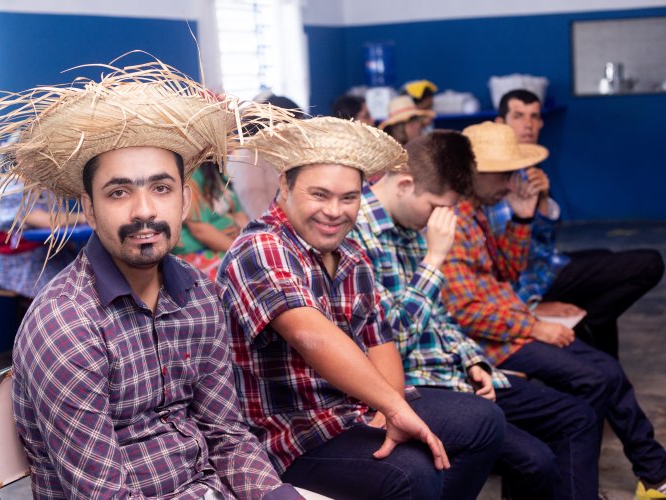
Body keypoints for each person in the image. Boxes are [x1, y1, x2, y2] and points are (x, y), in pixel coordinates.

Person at [0, 59, 302, 499]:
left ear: (185, 201)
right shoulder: (66, 326)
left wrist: (276, 495)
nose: (144, 210)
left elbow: (227, 436)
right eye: (119, 192)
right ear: (89, 209)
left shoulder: (200, 296)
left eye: (161, 189)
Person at [217, 116, 505, 499]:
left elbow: (380, 340)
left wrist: (389, 409)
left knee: (484, 421)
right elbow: (310, 335)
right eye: (319, 195)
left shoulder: (351, 254)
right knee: (409, 473)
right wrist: (389, 406)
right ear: (284, 185)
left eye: (348, 198)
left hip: (352, 411)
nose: (335, 211)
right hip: (295, 433)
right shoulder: (261, 246)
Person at [349, 130, 599, 498]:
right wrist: (434, 260)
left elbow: (441, 315)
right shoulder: (358, 235)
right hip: (415, 382)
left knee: (577, 417)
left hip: (452, 371)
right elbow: (392, 339)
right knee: (535, 461)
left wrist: (472, 361)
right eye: (437, 206)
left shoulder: (415, 224)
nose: (443, 219)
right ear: (404, 184)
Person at [441, 121, 666, 499]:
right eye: (505, 174)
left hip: (511, 324)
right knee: (593, 381)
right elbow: (465, 310)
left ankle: (643, 474)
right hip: (494, 341)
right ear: (475, 173)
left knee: (605, 371)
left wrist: (524, 218)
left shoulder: (478, 210)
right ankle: (603, 483)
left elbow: (507, 273)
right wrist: (533, 325)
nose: (512, 182)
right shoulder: (454, 218)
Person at [487, 88, 664, 357]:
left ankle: (591, 323)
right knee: (648, 263)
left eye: (534, 117)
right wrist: (532, 307)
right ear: (501, 124)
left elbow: (542, 241)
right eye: (519, 116)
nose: (528, 124)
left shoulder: (529, 167)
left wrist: (543, 200)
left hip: (542, 267)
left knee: (602, 257)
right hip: (529, 282)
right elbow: (500, 262)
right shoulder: (497, 178)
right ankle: (589, 321)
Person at [0, 176, 82, 300]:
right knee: (57, 289)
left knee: (79, 277)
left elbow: (60, 224)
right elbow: (44, 220)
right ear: (18, 157)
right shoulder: (9, 187)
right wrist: (82, 217)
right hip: (18, 262)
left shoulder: (48, 188)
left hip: (48, 256)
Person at [227, 93, 305, 219]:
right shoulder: (249, 154)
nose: (300, 133)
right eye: (296, 126)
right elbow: (257, 210)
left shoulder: (281, 150)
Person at [172, 161, 249, 280]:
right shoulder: (190, 175)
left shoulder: (219, 171)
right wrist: (243, 251)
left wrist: (249, 242)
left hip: (228, 245)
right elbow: (200, 230)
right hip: (198, 251)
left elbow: (239, 214)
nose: (233, 145)